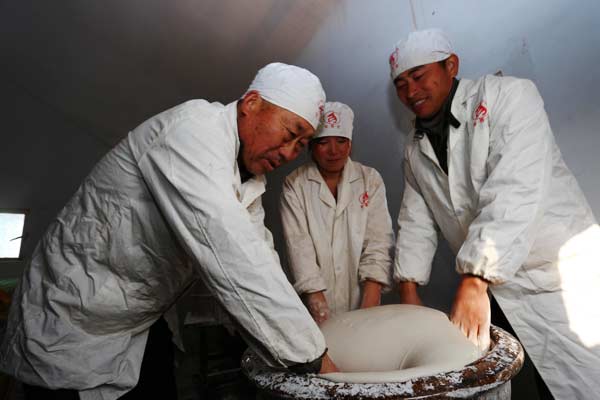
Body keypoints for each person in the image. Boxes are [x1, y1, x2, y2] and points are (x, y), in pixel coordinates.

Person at [0, 62, 338, 400]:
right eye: (290, 133)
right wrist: (315, 359)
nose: (291, 152)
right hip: (72, 319)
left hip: (135, 322)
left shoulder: (247, 178)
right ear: (251, 103)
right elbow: (234, 255)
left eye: (302, 143)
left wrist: (303, 338)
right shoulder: (191, 133)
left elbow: (260, 256)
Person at [389, 29, 600, 399]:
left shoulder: (509, 97)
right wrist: (409, 288)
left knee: (580, 383)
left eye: (418, 76)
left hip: (552, 277)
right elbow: (416, 218)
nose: (410, 92)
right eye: (401, 84)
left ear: (451, 66)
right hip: (491, 288)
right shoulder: (415, 147)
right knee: (502, 386)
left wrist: (474, 280)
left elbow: (514, 190)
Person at [280, 102, 394, 324]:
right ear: (311, 146)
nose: (334, 151)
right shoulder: (295, 184)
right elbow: (299, 248)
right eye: (323, 142)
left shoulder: (370, 180)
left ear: (350, 144)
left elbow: (378, 243)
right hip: (314, 312)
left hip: (364, 302)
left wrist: (367, 312)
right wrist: (321, 312)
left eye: (341, 141)